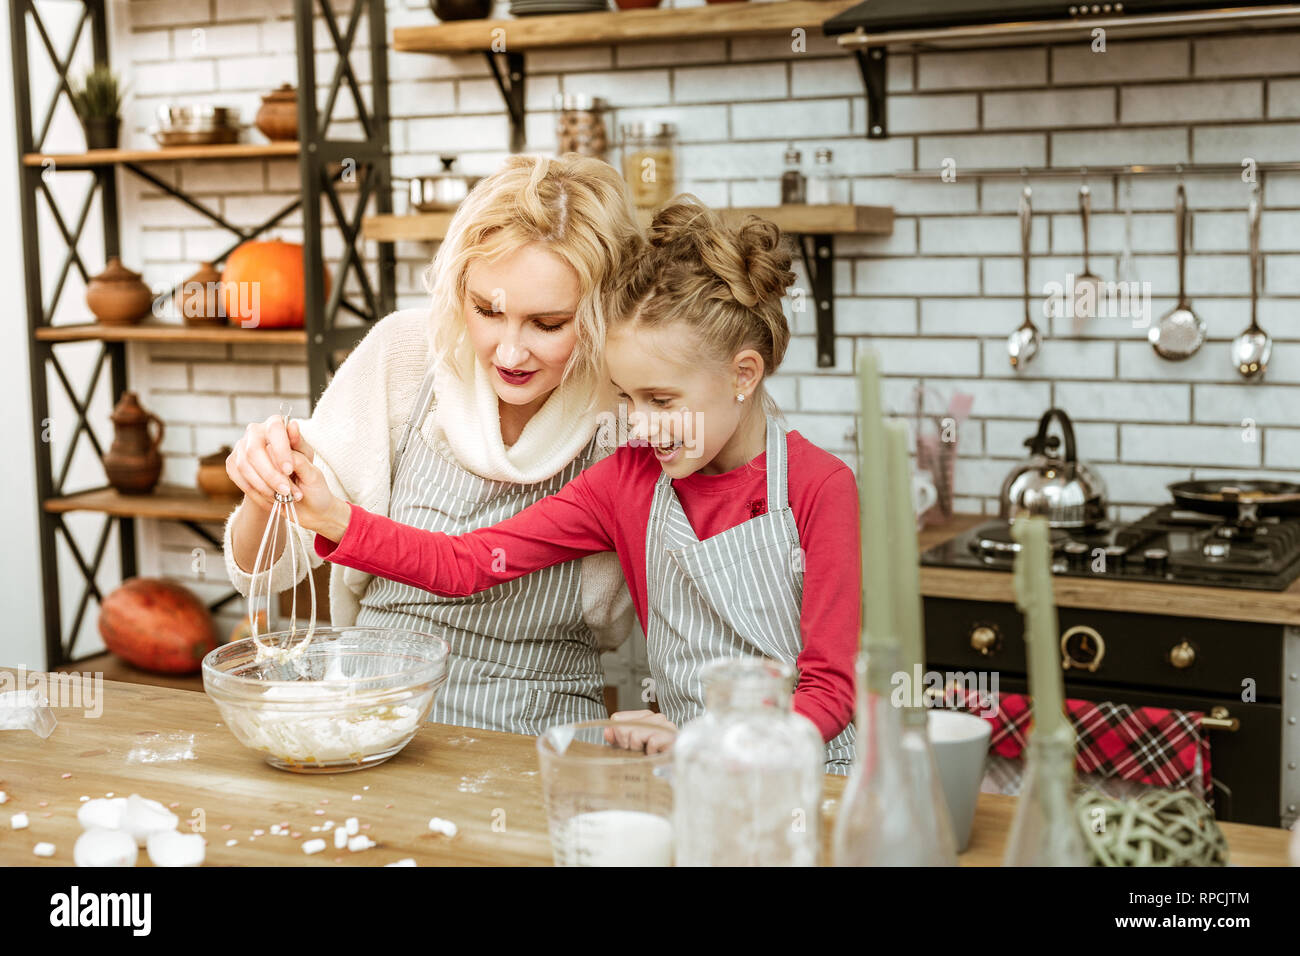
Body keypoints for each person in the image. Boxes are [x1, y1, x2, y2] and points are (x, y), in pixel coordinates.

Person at [277, 197, 861, 773]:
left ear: (743, 374)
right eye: (627, 397)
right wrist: (334, 518)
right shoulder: (628, 481)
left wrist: (709, 742)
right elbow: (470, 563)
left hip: (809, 774)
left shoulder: (819, 487)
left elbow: (830, 689)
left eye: (662, 401)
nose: (641, 424)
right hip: (692, 772)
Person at [223, 153, 644, 736]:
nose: (510, 353)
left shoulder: (632, 412)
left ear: (602, 312)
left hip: (539, 722)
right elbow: (261, 574)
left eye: (548, 324)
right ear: (458, 288)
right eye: (487, 311)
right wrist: (263, 497)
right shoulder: (404, 356)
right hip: (368, 705)